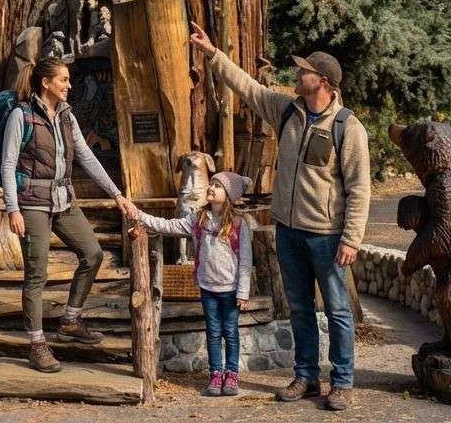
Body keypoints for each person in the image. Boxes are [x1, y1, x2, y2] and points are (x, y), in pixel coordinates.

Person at [188, 22, 371, 412]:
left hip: (327, 236)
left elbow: (359, 188)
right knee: (299, 308)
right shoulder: (287, 110)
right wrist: (212, 54)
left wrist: (352, 238)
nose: (297, 74)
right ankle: (306, 376)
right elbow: (248, 87)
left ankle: (342, 382)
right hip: (288, 231)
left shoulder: (348, 128)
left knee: (337, 310)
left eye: (304, 71)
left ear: (323, 82)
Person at [1, 56, 138, 372]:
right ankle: (37, 344)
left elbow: (87, 158)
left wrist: (117, 194)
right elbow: (8, 165)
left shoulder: (66, 116)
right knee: (37, 274)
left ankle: (71, 321)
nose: (69, 85)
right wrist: (13, 209)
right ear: (46, 83)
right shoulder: (21, 116)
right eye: (63, 80)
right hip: (32, 203)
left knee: (93, 254)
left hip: (64, 200)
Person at [125, 172, 253, 396]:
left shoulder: (239, 224)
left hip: (231, 290)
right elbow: (169, 225)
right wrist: (141, 216)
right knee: (213, 332)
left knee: (231, 332)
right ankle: (216, 374)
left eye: (217, 185)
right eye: (211, 183)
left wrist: (243, 292)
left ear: (229, 195)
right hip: (208, 288)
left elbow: (245, 261)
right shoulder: (198, 219)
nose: (211, 187)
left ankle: (231, 374)